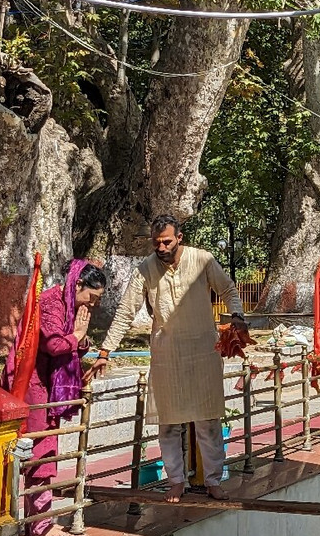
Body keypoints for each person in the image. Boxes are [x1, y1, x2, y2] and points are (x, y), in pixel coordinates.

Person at [88, 215, 247, 502]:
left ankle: (212, 480)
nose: (161, 248)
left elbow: (228, 289)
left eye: (167, 241)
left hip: (203, 352)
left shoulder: (202, 260)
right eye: (156, 242)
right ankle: (176, 481)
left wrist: (237, 315)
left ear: (180, 238)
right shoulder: (145, 269)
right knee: (169, 423)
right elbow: (125, 311)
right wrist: (105, 352)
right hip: (167, 355)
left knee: (208, 422)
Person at [2, 259, 107, 536]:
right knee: (40, 451)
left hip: (46, 385)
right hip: (31, 384)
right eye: (92, 297)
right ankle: (38, 524)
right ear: (79, 285)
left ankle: (38, 520)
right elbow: (54, 345)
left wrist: (79, 339)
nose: (93, 304)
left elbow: (71, 348)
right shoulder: (51, 302)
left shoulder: (70, 305)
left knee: (45, 450)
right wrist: (77, 336)